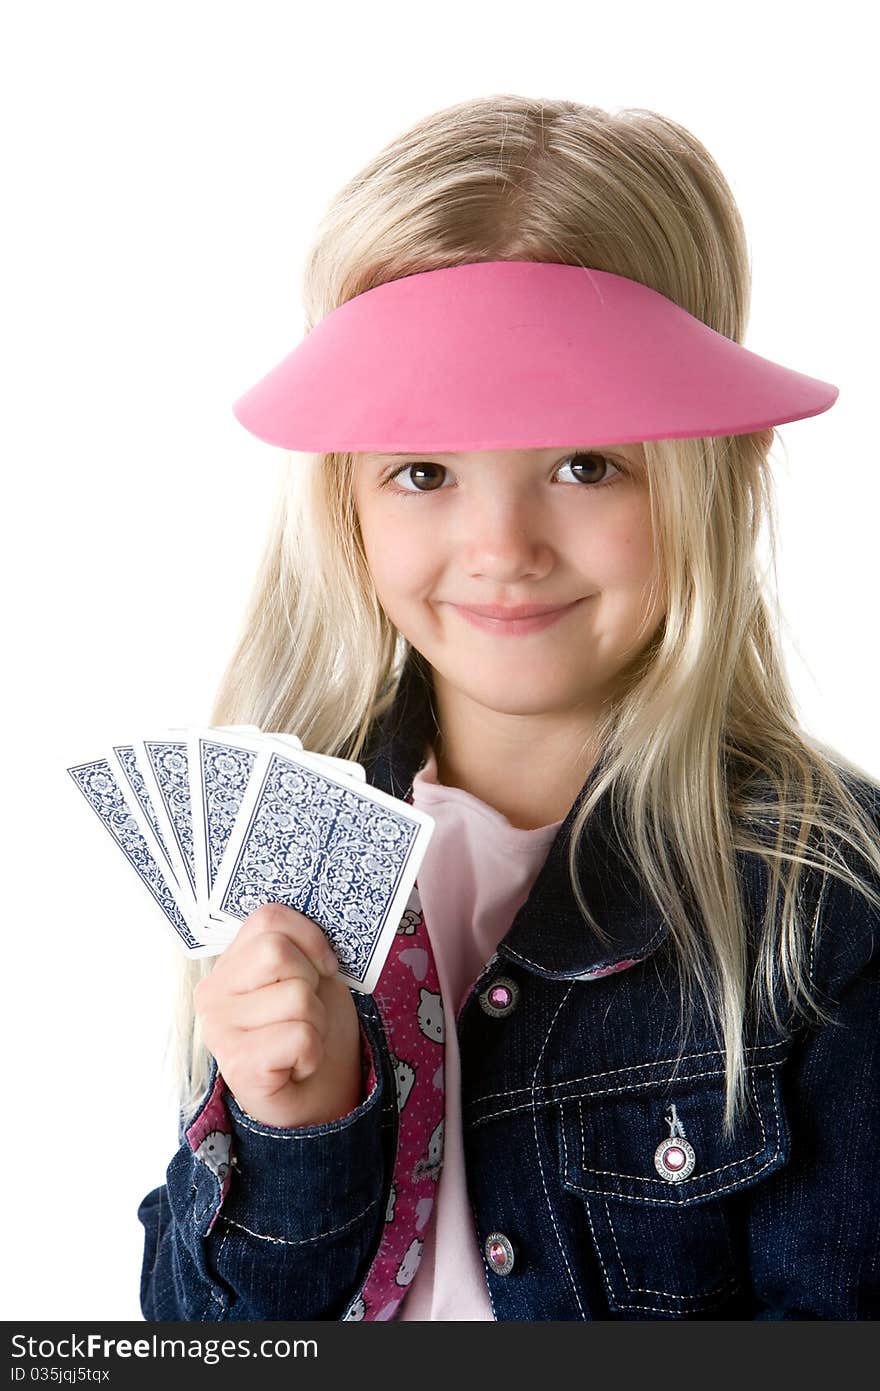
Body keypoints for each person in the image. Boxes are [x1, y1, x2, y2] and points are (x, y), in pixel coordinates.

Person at [137, 94, 880, 1321]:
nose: (500, 548)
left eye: (585, 464)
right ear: (347, 502)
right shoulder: (278, 865)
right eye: (423, 470)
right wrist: (289, 1130)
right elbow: (195, 1336)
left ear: (720, 469)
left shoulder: (826, 908)